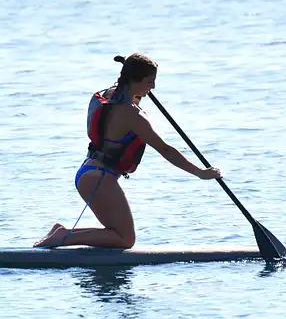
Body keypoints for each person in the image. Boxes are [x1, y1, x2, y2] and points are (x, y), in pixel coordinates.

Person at [34, 53, 221, 249]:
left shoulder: (106, 95)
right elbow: (165, 149)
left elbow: (120, 105)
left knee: (118, 234)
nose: (153, 87)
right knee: (125, 239)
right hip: (99, 177)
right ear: (134, 79)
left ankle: (62, 233)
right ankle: (65, 236)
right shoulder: (133, 115)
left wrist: (135, 89)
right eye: (150, 81)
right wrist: (200, 173)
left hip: (89, 173)